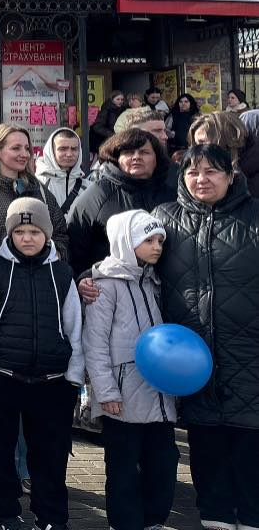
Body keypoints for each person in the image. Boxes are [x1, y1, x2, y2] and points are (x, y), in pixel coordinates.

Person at [153, 143, 259, 530]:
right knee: (205, 449)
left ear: (230, 176)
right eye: (193, 172)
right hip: (191, 361)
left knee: (250, 450)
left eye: (211, 172)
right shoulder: (165, 219)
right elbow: (129, 263)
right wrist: (90, 280)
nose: (202, 179)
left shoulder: (255, 216)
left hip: (249, 356)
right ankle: (214, 519)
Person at [0, 198, 84, 530]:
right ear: (10, 234)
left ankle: (50, 516)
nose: (28, 238)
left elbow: (75, 326)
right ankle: (5, 510)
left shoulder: (62, 273)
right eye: (20, 231)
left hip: (53, 380)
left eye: (34, 231)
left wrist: (74, 375)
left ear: (46, 234)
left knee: (50, 454)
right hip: (2, 375)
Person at [82, 209, 177, 530]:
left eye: (160, 240)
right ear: (127, 242)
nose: (157, 246)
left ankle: (153, 520)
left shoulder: (153, 282)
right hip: (122, 396)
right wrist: (105, 391)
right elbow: (94, 343)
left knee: (163, 461)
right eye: (148, 240)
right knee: (122, 466)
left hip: (158, 393)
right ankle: (124, 523)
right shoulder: (104, 285)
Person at [66, 129, 175, 277]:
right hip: (109, 290)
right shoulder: (98, 194)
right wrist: (83, 279)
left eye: (144, 152)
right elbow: (75, 247)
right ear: (117, 158)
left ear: (157, 157)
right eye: (129, 152)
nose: (136, 157)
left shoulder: (171, 194)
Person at [0, 124, 68, 259]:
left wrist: (57, 254)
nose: (24, 154)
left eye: (27, 149)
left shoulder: (40, 191)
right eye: (16, 148)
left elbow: (60, 233)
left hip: (39, 277)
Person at [34, 127, 87, 215]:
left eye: (74, 149)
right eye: (63, 149)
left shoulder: (88, 187)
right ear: (51, 151)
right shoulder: (37, 184)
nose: (69, 154)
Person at [90, 91, 126, 155]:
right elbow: (98, 127)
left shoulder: (122, 110)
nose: (120, 101)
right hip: (104, 141)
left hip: (116, 140)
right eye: (118, 99)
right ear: (112, 100)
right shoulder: (106, 109)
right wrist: (113, 134)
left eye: (122, 99)